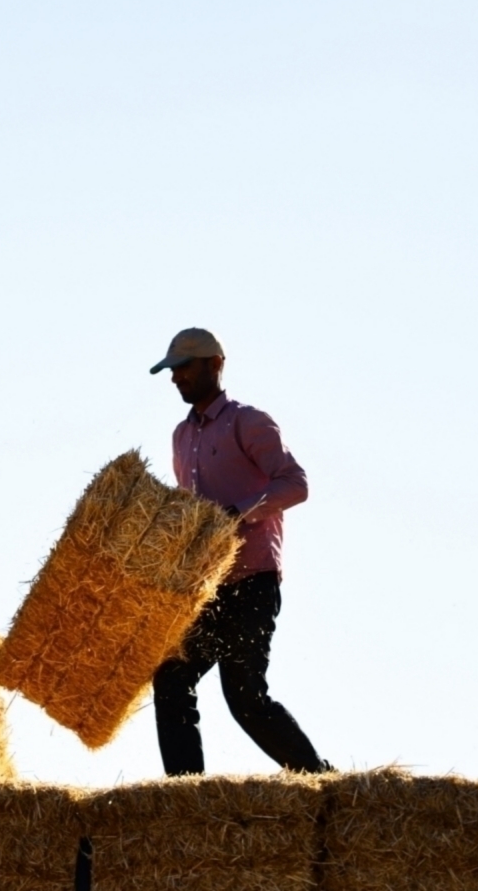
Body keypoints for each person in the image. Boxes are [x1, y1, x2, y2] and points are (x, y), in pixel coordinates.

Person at [147, 327, 329, 775]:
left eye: (184, 368)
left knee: (244, 697)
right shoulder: (180, 437)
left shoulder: (249, 422)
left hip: (253, 582)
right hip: (209, 590)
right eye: (172, 371)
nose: (176, 378)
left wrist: (239, 513)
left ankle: (319, 781)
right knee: (171, 679)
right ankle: (186, 796)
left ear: (215, 365)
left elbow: (295, 484)